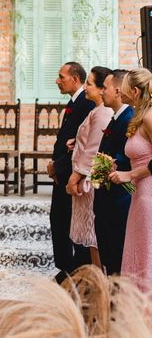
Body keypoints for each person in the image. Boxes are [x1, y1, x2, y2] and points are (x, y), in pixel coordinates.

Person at [48, 62, 95, 283]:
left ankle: (70, 268)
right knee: (58, 219)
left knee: (65, 219)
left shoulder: (85, 104)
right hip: (63, 170)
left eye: (61, 77)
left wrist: (59, 166)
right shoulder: (74, 103)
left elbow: (82, 144)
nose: (58, 80)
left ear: (75, 79)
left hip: (71, 172)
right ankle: (65, 267)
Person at [65, 66, 113, 269]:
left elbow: (95, 149)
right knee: (91, 238)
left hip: (91, 180)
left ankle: (100, 282)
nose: (85, 87)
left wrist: (75, 177)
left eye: (89, 83)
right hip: (90, 176)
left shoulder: (103, 112)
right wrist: (75, 143)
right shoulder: (97, 110)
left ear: (102, 89)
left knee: (94, 237)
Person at [109, 69, 152, 290]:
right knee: (137, 251)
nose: (119, 91)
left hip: (148, 195)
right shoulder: (138, 116)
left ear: (135, 91)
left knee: (145, 253)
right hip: (139, 195)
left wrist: (131, 174)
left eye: (124, 87)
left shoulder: (148, 117)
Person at [94, 69, 133, 275]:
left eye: (105, 88)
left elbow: (128, 158)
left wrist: (110, 161)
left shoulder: (129, 118)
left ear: (118, 91)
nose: (101, 92)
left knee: (117, 251)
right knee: (108, 251)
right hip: (106, 198)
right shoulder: (116, 118)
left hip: (119, 198)